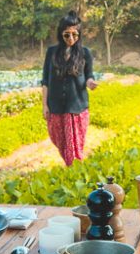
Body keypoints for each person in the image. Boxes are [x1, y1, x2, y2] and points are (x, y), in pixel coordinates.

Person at [41, 12, 98, 166]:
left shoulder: (85, 53)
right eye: (67, 35)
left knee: (74, 148)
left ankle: (74, 172)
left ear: (79, 34)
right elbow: (45, 80)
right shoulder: (52, 53)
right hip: (56, 107)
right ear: (61, 34)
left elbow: (89, 76)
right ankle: (72, 168)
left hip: (77, 107)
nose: (71, 39)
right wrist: (45, 105)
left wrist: (91, 83)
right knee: (59, 141)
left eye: (75, 34)